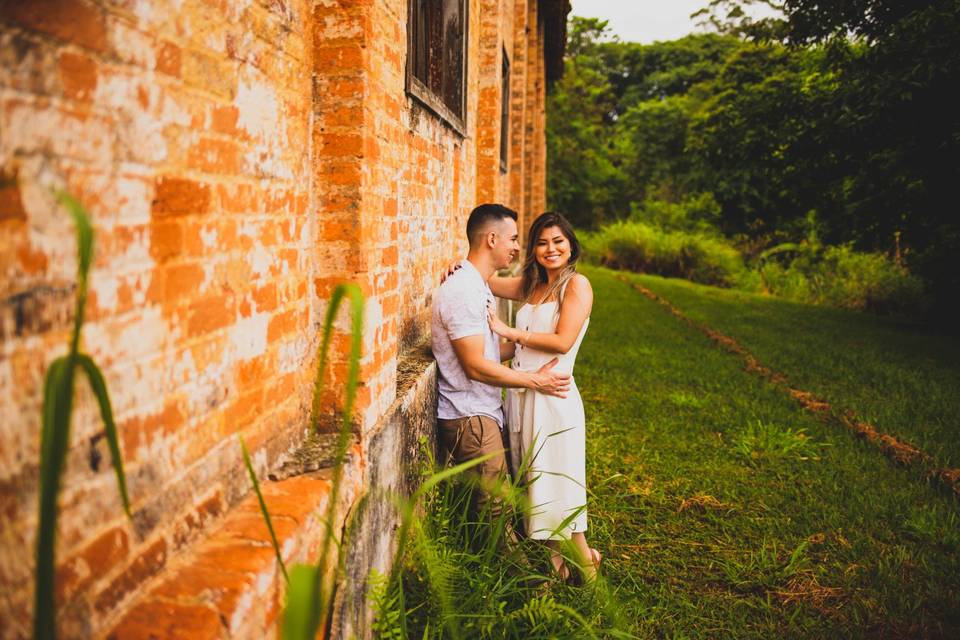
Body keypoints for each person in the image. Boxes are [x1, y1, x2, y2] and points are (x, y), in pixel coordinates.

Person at [431, 204, 571, 526]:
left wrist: (524, 347)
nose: (517, 247)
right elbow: (476, 367)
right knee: (494, 509)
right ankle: (504, 571)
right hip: (470, 416)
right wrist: (534, 380)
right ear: (492, 239)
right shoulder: (463, 290)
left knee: (499, 500)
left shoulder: (477, 285)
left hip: (484, 411)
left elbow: (489, 351)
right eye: (513, 239)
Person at [483, 211, 599, 582]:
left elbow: (562, 341)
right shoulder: (531, 286)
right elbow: (484, 278)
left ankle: (590, 574)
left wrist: (507, 331)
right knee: (536, 485)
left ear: (570, 245)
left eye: (558, 241)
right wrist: (455, 269)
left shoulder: (576, 286)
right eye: (542, 242)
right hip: (523, 397)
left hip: (554, 399)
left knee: (557, 486)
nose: (551, 249)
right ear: (533, 249)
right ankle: (558, 570)